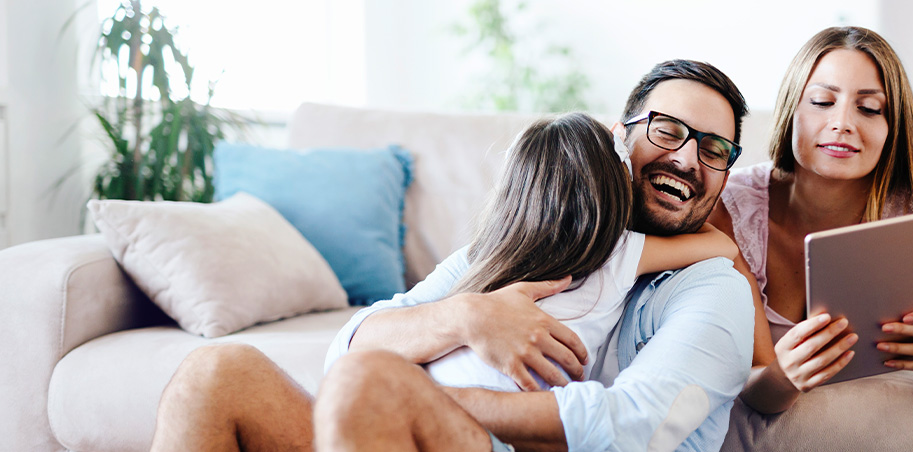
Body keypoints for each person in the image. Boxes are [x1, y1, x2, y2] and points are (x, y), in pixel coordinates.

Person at [150, 59, 755, 452]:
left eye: (715, 149)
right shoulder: (529, 247)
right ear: (620, 139)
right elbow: (348, 349)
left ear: (726, 173)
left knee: (372, 385)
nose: (685, 159)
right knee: (215, 375)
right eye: (668, 130)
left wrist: (422, 398)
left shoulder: (711, 289)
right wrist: (468, 317)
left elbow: (641, 426)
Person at [707, 26, 913, 415]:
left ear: (892, 127)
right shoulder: (731, 208)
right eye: (821, 101)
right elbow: (757, 392)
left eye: (868, 108)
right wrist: (784, 376)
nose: (842, 122)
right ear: (791, 109)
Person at [419, 112, 739, 393]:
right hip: (506, 417)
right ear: (613, 193)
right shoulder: (618, 255)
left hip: (436, 387)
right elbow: (724, 246)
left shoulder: (490, 255)